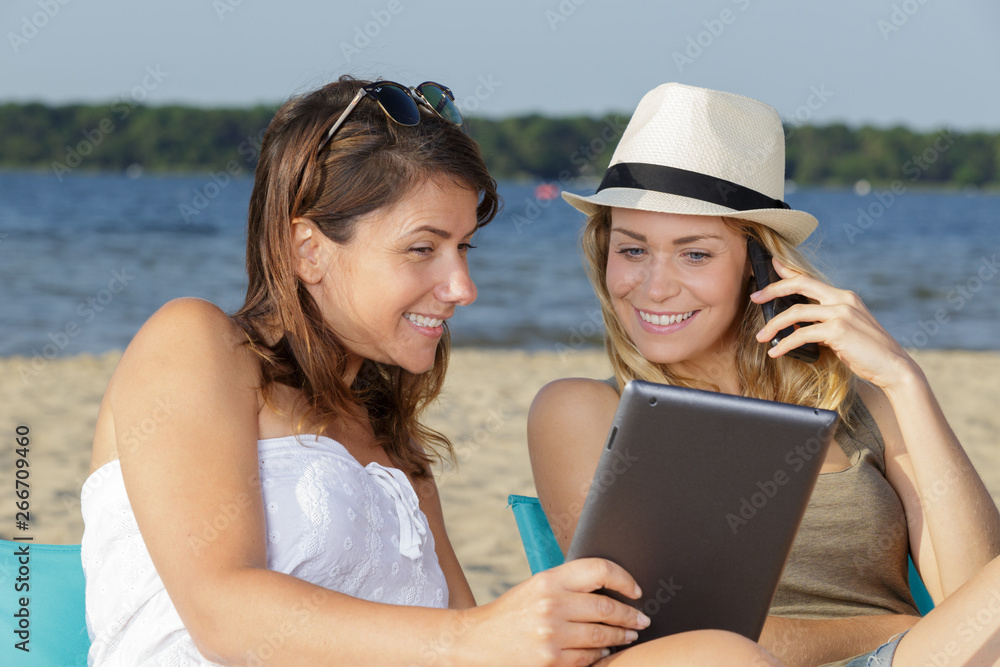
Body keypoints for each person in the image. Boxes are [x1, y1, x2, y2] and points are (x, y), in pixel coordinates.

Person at [79, 76, 778, 666]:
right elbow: (222, 611)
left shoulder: (393, 446)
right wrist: (477, 633)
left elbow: (472, 646)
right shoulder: (196, 342)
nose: (463, 285)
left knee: (718, 653)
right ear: (307, 248)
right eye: (423, 248)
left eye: (465, 247)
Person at [528, 82, 1000, 667]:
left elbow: (981, 614)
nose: (653, 285)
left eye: (694, 253)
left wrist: (905, 380)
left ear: (758, 266)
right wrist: (897, 629)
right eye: (632, 250)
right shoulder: (584, 409)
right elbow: (657, 633)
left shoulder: (865, 408)